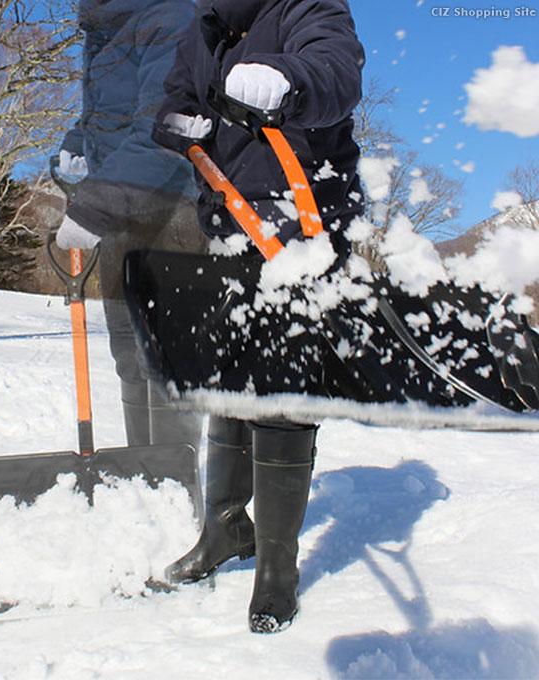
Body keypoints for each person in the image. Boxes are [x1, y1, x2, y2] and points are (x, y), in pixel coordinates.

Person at [154, 0, 365, 633]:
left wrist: (287, 81)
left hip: (303, 224)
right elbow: (176, 94)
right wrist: (174, 122)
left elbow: (337, 71)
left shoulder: (307, 6)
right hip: (229, 223)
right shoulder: (205, 30)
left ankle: (277, 570)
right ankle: (225, 528)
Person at [53, 0, 207, 449]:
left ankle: (176, 487)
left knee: (165, 358)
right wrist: (78, 141)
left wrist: (93, 208)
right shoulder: (106, 29)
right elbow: (110, 114)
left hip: (171, 209)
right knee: (128, 353)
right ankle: (144, 473)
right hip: (121, 211)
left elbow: (166, 134)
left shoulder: (170, 17)